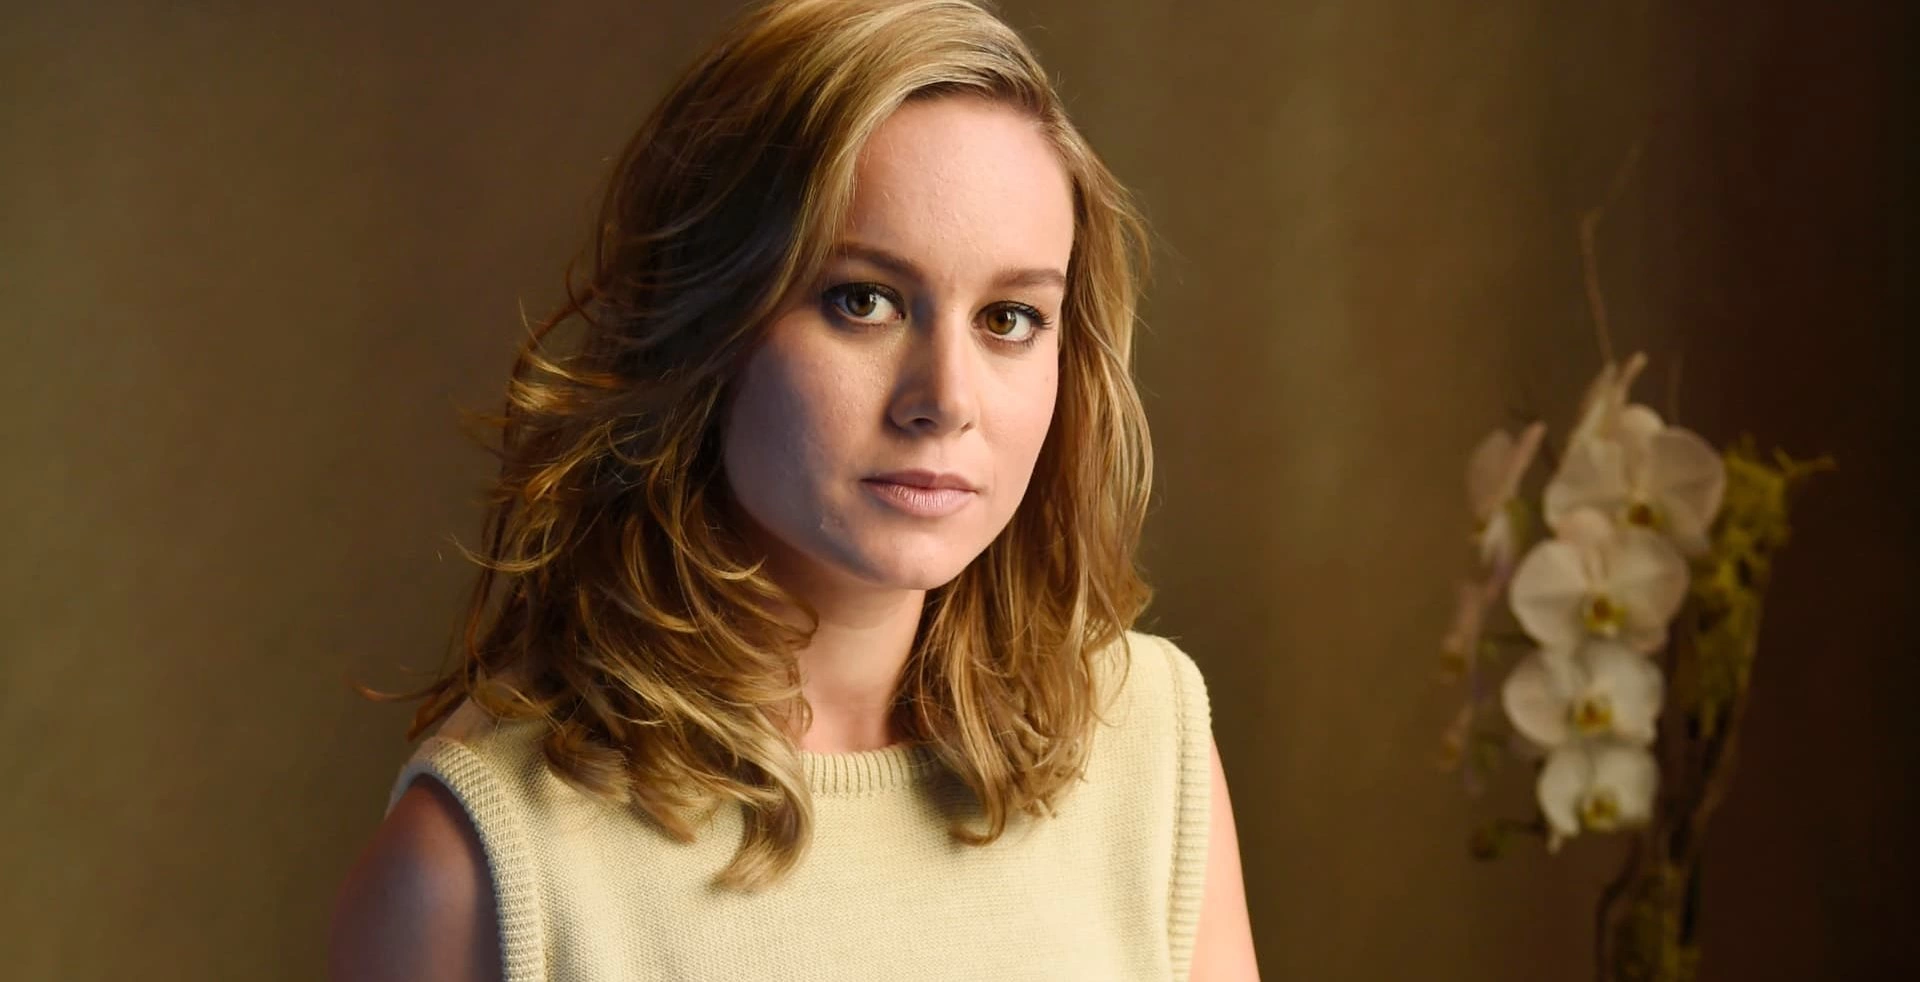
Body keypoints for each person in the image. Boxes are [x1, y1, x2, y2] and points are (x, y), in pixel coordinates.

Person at [328, 0, 1257, 978]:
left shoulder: (1149, 746)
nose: (946, 400)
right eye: (863, 300)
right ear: (705, 321)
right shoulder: (479, 865)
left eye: (1009, 318)